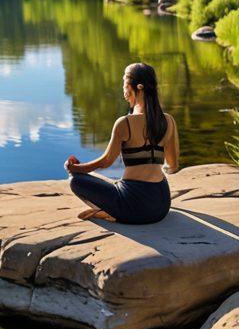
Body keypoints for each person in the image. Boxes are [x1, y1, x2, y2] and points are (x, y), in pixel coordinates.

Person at [63, 62, 179, 224]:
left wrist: (76, 169)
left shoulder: (124, 123)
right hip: (161, 205)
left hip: (134, 207)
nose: (124, 91)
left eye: (125, 84)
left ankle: (109, 212)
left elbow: (106, 161)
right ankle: (111, 209)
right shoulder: (168, 120)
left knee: (76, 181)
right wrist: (154, 168)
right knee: (107, 181)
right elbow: (172, 166)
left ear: (138, 88)